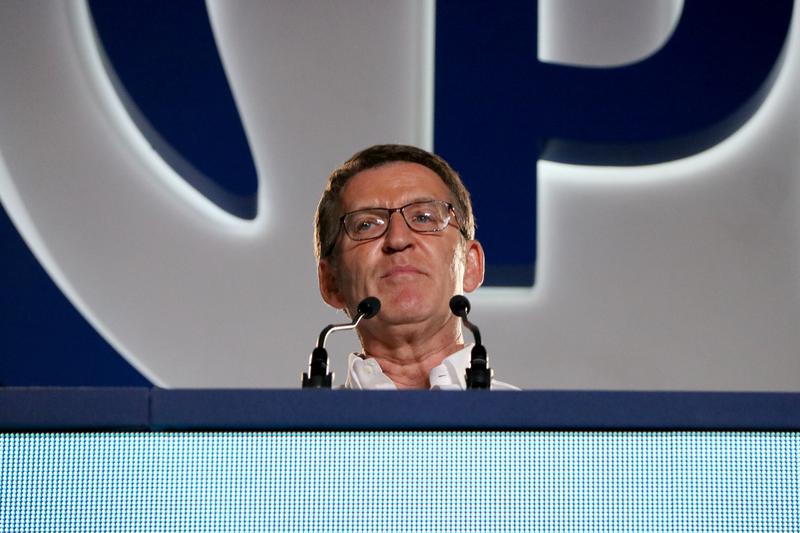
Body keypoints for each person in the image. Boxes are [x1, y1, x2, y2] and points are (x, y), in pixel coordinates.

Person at [314, 144, 518, 390]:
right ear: (331, 282)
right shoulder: (303, 427)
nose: (398, 239)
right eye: (367, 224)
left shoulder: (532, 425)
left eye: (424, 217)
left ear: (471, 265)